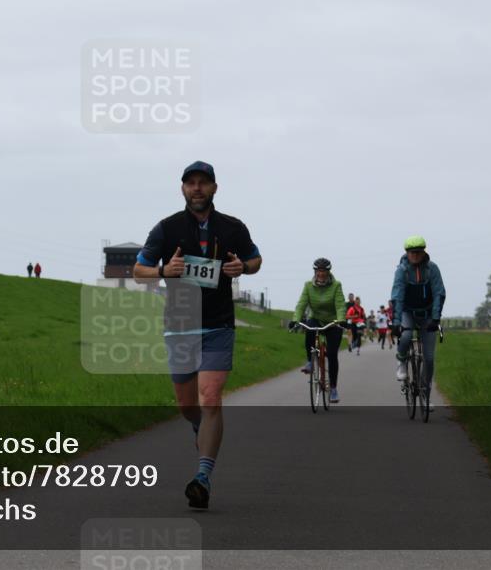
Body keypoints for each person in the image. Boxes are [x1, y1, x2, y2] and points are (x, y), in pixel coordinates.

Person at [132, 161, 261, 510]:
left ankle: (202, 477)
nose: (197, 188)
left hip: (218, 325)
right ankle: (198, 429)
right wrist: (164, 270)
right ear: (183, 189)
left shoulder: (233, 228)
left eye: (204, 182)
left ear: (214, 188)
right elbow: (139, 270)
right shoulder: (166, 228)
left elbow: (255, 259)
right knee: (188, 406)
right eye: (191, 183)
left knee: (211, 397)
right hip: (179, 326)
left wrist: (243, 267)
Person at [389, 236, 446, 403]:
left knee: (429, 359)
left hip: (427, 314)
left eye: (418, 252)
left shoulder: (432, 269)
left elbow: (439, 293)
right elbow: (397, 296)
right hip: (407, 312)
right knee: (406, 335)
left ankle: (425, 395)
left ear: (423, 252)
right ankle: (401, 360)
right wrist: (396, 323)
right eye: (411, 252)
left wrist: (435, 319)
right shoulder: (402, 270)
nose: (415, 255)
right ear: (406, 253)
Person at [288, 258, 346, 403]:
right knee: (309, 328)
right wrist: (295, 319)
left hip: (333, 322)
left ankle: (333, 389)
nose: (321, 274)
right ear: (315, 272)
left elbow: (340, 305)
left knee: (332, 354)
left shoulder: (336, 285)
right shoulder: (308, 286)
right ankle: (310, 361)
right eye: (318, 271)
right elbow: (301, 304)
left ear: (328, 272)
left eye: (324, 271)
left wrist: (341, 319)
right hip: (316, 318)